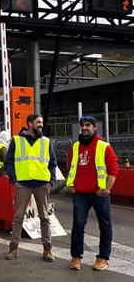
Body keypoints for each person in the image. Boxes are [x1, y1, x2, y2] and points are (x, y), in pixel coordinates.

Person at [66, 116, 119, 271]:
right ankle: (76, 257)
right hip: (80, 194)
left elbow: (113, 170)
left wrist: (106, 189)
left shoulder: (104, 146)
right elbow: (71, 167)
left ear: (95, 127)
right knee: (78, 224)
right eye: (82, 125)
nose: (84, 128)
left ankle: (103, 258)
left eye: (88, 125)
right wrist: (70, 186)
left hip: (99, 194)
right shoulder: (75, 146)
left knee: (105, 225)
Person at [4, 114, 57, 262]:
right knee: (18, 217)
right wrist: (14, 180)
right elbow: (8, 162)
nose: (41, 124)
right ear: (29, 124)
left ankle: (47, 251)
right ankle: (13, 249)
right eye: (38, 122)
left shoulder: (46, 141)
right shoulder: (16, 140)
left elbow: (52, 162)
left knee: (45, 217)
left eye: (42, 122)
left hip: (42, 183)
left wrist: (51, 180)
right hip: (23, 184)